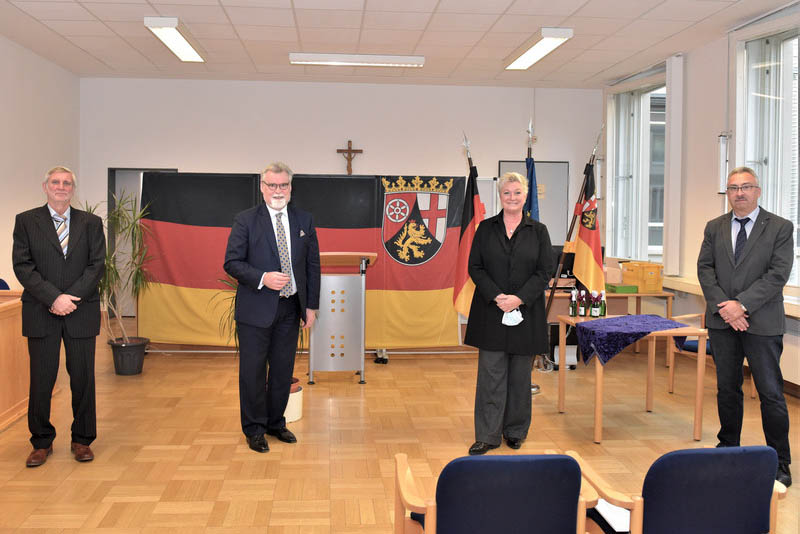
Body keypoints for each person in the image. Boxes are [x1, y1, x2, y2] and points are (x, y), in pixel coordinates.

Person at [697, 166, 794, 487]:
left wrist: (742, 305)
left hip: (762, 322)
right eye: (733, 188)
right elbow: (705, 269)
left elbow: (778, 275)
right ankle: (728, 447)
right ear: (727, 193)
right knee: (727, 388)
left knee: (770, 393)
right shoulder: (715, 227)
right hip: (723, 323)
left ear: (758, 191)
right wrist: (726, 308)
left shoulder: (780, 227)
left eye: (746, 187)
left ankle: (779, 461)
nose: (739, 193)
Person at [12, 166, 106, 467]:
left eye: (67, 183)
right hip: (42, 310)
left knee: (83, 378)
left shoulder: (91, 223)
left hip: (80, 311)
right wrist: (54, 298)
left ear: (73, 189)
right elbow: (23, 266)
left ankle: (82, 439)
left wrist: (70, 299)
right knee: (41, 380)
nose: (61, 187)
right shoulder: (26, 221)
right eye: (56, 182)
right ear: (45, 186)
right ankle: (41, 442)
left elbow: (96, 265)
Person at [224, 162, 320, 453]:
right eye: (272, 185)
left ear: (290, 188)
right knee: (252, 372)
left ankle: (276, 423)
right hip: (256, 310)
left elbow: (312, 266)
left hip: (291, 309)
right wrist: (263, 278)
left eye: (283, 185)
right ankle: (254, 429)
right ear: (262, 188)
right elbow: (232, 262)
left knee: (282, 370)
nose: (278, 190)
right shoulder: (246, 220)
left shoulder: (305, 220)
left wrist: (311, 307)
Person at [463, 172, 554, 455]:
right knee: (491, 376)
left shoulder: (538, 231)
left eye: (517, 192)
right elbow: (475, 267)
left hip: (525, 314)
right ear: (500, 196)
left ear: (525, 196)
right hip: (491, 312)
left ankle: (515, 431)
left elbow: (544, 271)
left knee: (519, 377)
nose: (512, 197)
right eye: (507, 193)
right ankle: (487, 435)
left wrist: (518, 298)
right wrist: (497, 296)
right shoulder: (486, 229)